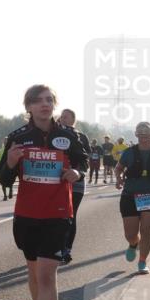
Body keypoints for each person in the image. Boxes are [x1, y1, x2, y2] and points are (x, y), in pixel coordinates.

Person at [0, 85, 87, 300]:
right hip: (27, 215)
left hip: (58, 213)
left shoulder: (69, 135)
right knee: (34, 273)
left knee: (47, 274)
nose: (44, 105)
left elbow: (83, 163)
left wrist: (76, 172)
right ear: (29, 107)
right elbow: (3, 179)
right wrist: (11, 162)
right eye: (38, 101)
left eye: (49, 100)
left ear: (54, 104)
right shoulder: (18, 137)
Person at [114, 121, 150, 276]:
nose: (144, 138)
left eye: (147, 135)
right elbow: (118, 168)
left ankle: (142, 261)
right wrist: (118, 179)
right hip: (129, 196)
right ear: (136, 135)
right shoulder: (129, 152)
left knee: (146, 231)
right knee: (130, 234)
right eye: (141, 135)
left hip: (149, 197)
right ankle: (133, 244)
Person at [58, 109, 91, 264]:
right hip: (57, 181)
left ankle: (67, 249)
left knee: (70, 215)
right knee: (57, 216)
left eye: (66, 116)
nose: (62, 118)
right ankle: (56, 247)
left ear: (73, 120)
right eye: (61, 116)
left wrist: (77, 170)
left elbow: (87, 159)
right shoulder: (54, 133)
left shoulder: (81, 136)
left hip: (76, 181)